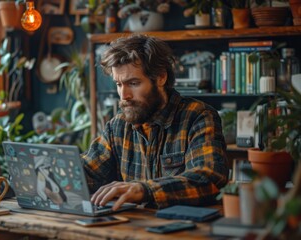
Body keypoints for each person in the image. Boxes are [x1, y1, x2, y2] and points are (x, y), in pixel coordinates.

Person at [81, 34, 229, 210]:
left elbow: (209, 178)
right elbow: (89, 172)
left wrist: (145, 190)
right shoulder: (117, 126)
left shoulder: (198, 116)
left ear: (160, 77)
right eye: (119, 84)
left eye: (133, 83)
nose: (124, 95)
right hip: (131, 228)